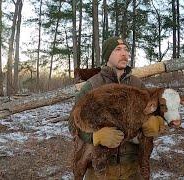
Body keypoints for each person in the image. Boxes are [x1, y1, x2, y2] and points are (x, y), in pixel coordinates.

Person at [69, 36, 165, 179]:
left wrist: (156, 122)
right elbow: (72, 124)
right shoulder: (91, 85)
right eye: (118, 49)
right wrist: (95, 137)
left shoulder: (138, 85)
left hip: (133, 167)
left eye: (126, 50)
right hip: (100, 171)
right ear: (107, 55)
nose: (124, 53)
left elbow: (157, 111)